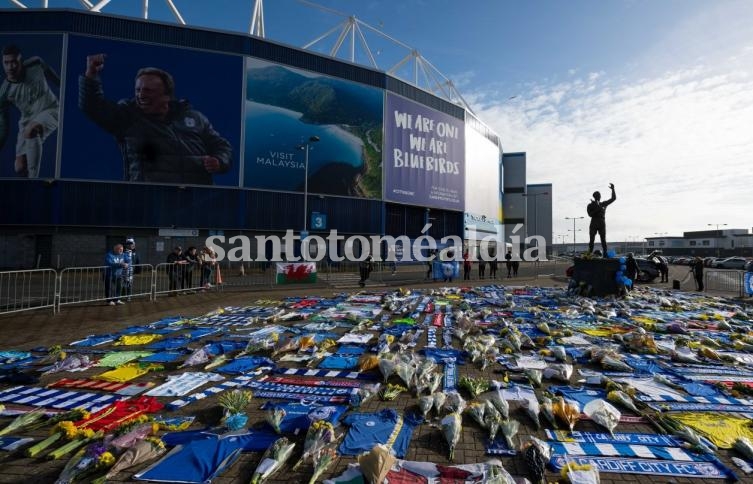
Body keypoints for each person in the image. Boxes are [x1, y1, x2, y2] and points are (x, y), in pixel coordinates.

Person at [79, 54, 232, 184]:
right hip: (149, 204)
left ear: (167, 95)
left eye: (148, 91)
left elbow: (222, 146)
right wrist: (91, 75)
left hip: (196, 202)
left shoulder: (195, 118)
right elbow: (93, 107)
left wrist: (219, 161)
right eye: (138, 90)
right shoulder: (127, 116)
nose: (141, 95)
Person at [0, 44, 60, 178]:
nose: (10, 67)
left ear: (20, 61)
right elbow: (4, 127)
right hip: (27, 120)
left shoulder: (36, 63)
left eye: (14, 62)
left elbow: (53, 77)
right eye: (6, 63)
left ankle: (34, 182)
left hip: (52, 109)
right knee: (20, 167)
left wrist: (66, 89)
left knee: (31, 131)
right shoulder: (4, 93)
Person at [587, 183, 617, 254]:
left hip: (601, 222)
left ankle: (605, 253)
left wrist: (613, 189)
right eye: (598, 196)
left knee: (603, 240)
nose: (600, 197)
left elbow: (613, 198)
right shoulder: (590, 205)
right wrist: (598, 209)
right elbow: (590, 214)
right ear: (595, 197)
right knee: (592, 239)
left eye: (600, 195)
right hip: (594, 221)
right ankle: (589, 253)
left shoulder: (602, 204)